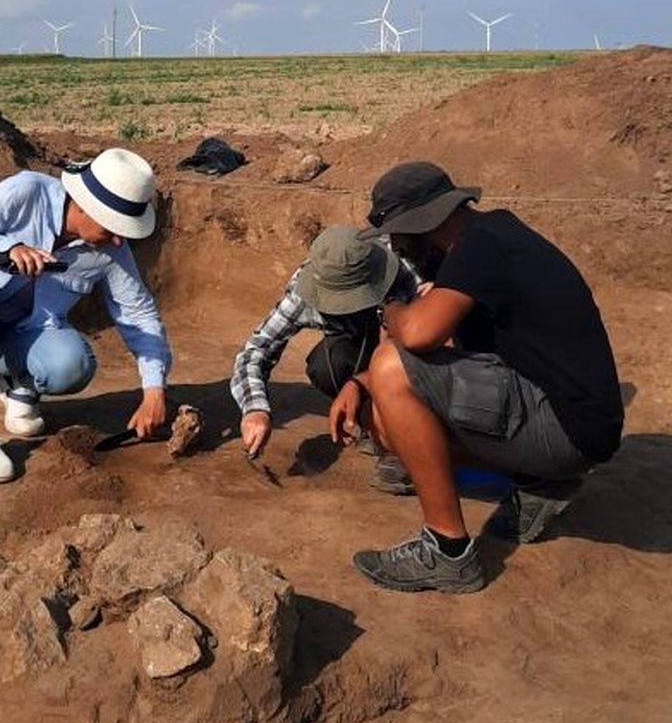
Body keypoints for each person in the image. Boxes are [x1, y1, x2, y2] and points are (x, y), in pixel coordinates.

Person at [329, 162, 623, 593]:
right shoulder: (488, 239)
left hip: (563, 428)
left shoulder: (480, 249)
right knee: (388, 427)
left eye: (398, 232)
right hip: (573, 426)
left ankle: (447, 551)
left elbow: (415, 335)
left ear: (424, 221)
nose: (395, 245)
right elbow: (447, 359)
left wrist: (390, 309)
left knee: (391, 363)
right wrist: (359, 384)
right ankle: (539, 482)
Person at [0, 148, 171, 483]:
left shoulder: (111, 249)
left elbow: (138, 313)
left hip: (5, 341)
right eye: (113, 226)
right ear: (85, 206)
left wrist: (154, 391)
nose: (118, 238)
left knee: (72, 362)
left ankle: (18, 385)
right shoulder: (25, 192)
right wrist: (3, 249)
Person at [231, 225, 422, 493]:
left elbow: (431, 349)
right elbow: (254, 352)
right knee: (328, 364)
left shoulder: (404, 273)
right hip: (359, 346)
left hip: (412, 349)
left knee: (410, 358)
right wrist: (255, 409)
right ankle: (373, 423)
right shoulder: (304, 291)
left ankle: (406, 441)